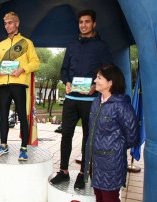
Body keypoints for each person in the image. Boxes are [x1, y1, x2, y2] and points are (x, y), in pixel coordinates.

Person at [50, 10, 113, 189]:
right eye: (80, 22)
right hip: (70, 99)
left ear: (94, 24)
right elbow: (64, 69)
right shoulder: (71, 45)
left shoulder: (101, 46)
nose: (83, 25)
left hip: (91, 101)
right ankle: (63, 172)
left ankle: (83, 173)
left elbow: (109, 70)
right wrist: (66, 82)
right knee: (66, 135)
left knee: (88, 137)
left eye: (87, 22)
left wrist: (96, 85)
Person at [84, 65, 140, 202]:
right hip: (94, 161)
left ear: (110, 82)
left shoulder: (122, 106)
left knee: (110, 198)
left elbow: (133, 137)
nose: (95, 81)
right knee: (98, 195)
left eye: (99, 78)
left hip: (111, 163)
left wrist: (114, 147)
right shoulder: (96, 102)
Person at [0, 12, 40, 161]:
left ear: (17, 24)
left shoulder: (27, 43)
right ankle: (3, 146)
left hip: (19, 83)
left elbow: (35, 62)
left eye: (10, 23)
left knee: (22, 117)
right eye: (5, 24)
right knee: (3, 117)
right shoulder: (1, 44)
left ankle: (24, 148)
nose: (7, 26)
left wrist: (22, 70)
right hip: (3, 85)